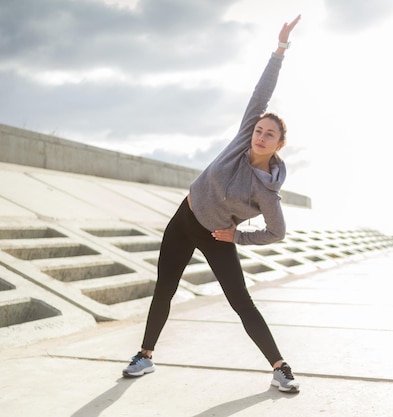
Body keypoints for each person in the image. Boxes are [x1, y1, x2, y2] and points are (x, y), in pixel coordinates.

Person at [122, 15, 302, 393]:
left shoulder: (267, 190)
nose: (260, 135)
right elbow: (262, 92)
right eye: (259, 129)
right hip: (184, 219)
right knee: (164, 289)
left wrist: (237, 237)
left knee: (241, 302)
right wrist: (280, 48)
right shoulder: (242, 139)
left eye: (269, 134)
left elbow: (277, 232)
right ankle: (145, 356)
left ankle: (280, 367)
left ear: (278, 144)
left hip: (216, 235)